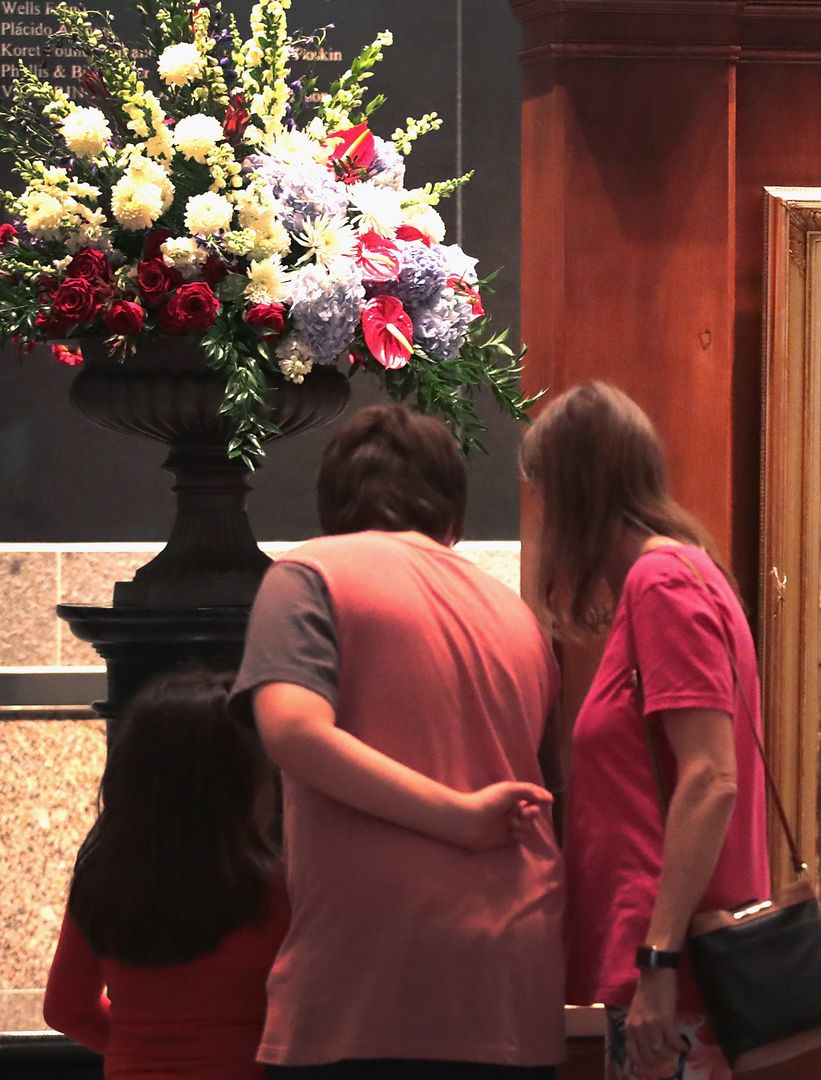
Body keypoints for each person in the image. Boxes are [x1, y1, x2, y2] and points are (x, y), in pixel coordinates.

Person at [233, 405, 564, 1079]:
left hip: (367, 985)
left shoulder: (308, 574)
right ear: (454, 512)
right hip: (511, 980)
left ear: (332, 501)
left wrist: (455, 815)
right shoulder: (518, 616)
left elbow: (294, 731)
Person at [521, 382, 769, 1080]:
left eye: (542, 489)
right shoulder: (671, 576)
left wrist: (657, 961)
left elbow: (711, 777)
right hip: (665, 968)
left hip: (674, 976)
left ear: (575, 491)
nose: (539, 513)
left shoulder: (663, 582)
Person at [44, 670, 288, 1080]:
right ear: (240, 784)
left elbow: (66, 1010)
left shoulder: (103, 885)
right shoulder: (278, 892)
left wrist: (139, 1050)